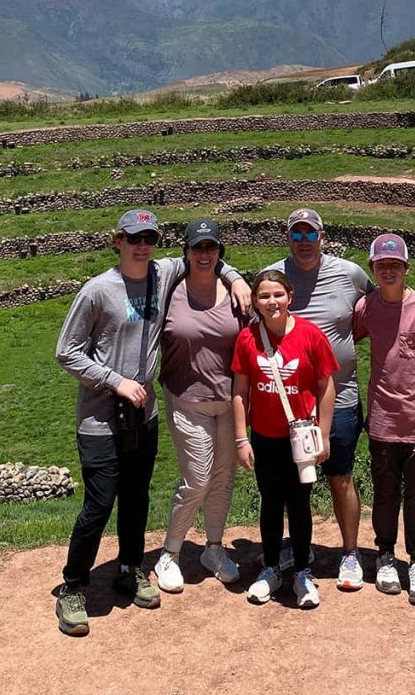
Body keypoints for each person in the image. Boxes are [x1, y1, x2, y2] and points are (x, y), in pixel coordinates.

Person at [54, 209, 250, 637]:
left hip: (143, 415)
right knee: (100, 502)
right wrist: (115, 381)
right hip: (100, 416)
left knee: (137, 496)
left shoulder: (163, 274)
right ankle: (73, 586)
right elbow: (66, 351)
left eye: (150, 237)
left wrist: (235, 279)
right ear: (117, 242)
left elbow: (210, 256)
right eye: (134, 238)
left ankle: (129, 567)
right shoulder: (97, 290)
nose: (142, 245)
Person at [264, 209, 374, 591]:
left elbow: (372, 311)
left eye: (311, 235)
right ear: (287, 237)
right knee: (292, 485)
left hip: (340, 397)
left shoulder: (350, 274)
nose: (304, 242)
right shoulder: (273, 276)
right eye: (297, 235)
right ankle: (299, 548)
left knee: (340, 478)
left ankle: (349, 553)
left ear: (323, 237)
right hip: (288, 405)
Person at [232, 269, 337, 609]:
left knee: (299, 502)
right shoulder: (247, 338)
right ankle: (272, 568)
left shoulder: (309, 335)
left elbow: (325, 386)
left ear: (290, 296)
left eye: (277, 294)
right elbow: (240, 391)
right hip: (265, 435)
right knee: (270, 502)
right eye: (264, 296)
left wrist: (323, 432)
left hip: (300, 436)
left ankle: (303, 571)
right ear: (256, 302)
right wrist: (240, 438)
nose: (271, 302)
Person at [353, 232, 415, 605]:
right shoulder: (367, 308)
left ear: (407, 268)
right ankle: (386, 554)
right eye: (382, 265)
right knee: (385, 493)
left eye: (395, 265)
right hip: (381, 419)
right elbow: (345, 339)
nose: (388, 270)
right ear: (373, 269)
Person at [154, 219, 246, 593]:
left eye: (211, 248)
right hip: (186, 398)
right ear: (186, 251)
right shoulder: (170, 290)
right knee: (197, 478)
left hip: (228, 401)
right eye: (197, 248)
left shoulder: (236, 291)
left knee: (224, 479)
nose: (204, 254)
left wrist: (237, 277)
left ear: (220, 251)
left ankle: (213, 547)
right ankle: (170, 553)